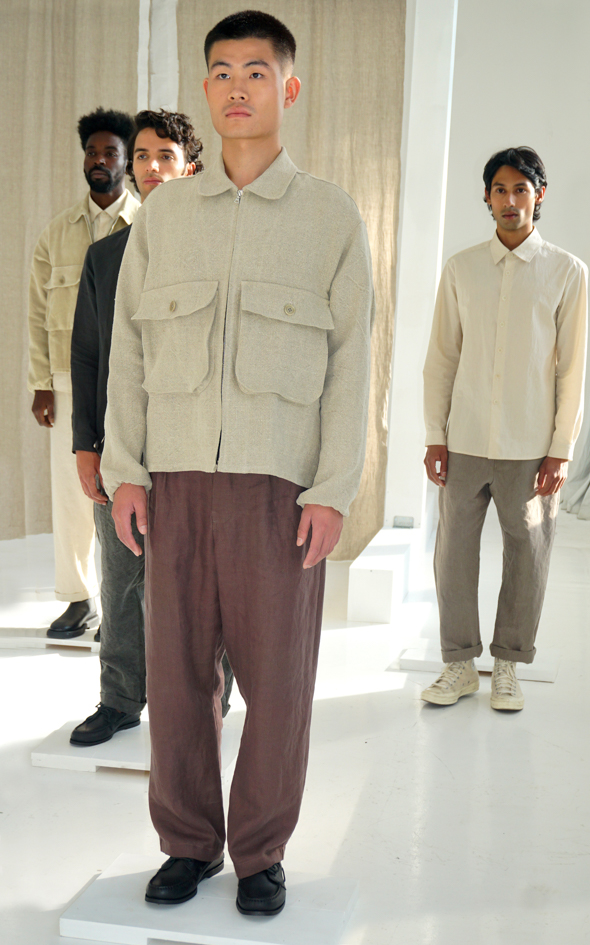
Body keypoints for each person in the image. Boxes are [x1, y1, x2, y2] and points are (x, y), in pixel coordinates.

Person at [101, 9, 374, 917]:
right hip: (175, 482)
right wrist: (126, 469)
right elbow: (128, 352)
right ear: (205, 88)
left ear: (286, 87)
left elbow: (352, 366)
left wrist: (333, 490)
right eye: (220, 72)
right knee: (177, 682)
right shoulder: (166, 215)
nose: (236, 88)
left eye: (255, 72)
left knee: (279, 686)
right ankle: (188, 843)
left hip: (277, 490)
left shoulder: (330, 216)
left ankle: (260, 850)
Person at [69, 109, 236, 747]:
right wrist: (86, 445)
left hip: (194, 446)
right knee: (119, 580)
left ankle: (209, 696)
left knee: (200, 583)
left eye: (166, 155)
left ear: (190, 167)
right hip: (121, 446)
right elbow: (87, 356)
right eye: (142, 156)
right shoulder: (104, 256)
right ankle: (119, 699)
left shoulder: (217, 249)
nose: (152, 168)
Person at [421, 146, 587, 711]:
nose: (510, 199)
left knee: (528, 554)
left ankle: (509, 665)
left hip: (531, 446)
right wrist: (435, 434)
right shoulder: (461, 269)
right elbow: (442, 358)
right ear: (487, 197)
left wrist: (561, 448)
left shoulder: (566, 272)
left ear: (539, 195)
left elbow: (571, 369)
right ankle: (459, 666)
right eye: (500, 189)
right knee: (453, 555)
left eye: (521, 189)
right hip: (464, 440)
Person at [28, 107, 140, 639]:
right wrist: (41, 383)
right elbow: (37, 312)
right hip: (69, 381)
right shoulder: (56, 234)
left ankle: (124, 608)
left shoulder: (145, 226)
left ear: (127, 161)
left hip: (127, 380)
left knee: (122, 488)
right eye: (92, 152)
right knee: (73, 494)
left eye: (110, 152)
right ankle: (78, 599)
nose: (99, 160)